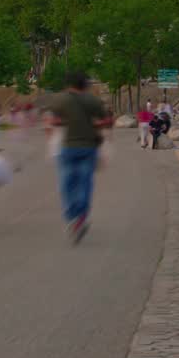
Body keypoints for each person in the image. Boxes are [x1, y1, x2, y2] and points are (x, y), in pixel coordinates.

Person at [46, 70, 113, 243]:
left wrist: (66, 122)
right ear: (85, 84)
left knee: (67, 182)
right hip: (89, 147)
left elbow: (53, 121)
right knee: (85, 182)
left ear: (68, 83)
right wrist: (94, 123)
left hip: (68, 147)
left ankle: (71, 216)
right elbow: (106, 121)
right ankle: (81, 217)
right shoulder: (92, 100)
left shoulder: (60, 99)